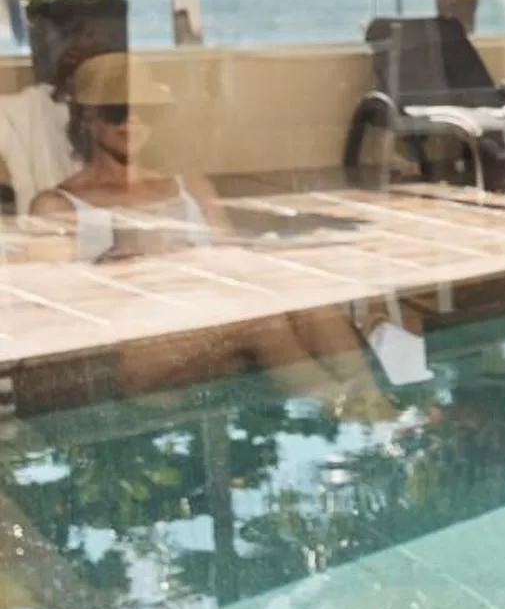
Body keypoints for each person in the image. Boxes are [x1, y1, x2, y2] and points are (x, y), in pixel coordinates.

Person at [28, 47, 391, 413]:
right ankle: (341, 413)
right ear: (87, 118)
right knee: (260, 322)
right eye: (116, 111)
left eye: (146, 110)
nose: (132, 121)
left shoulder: (189, 186)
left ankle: (374, 404)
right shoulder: (60, 206)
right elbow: (55, 310)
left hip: (208, 311)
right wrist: (121, 274)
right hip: (135, 344)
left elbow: (233, 260)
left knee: (312, 299)